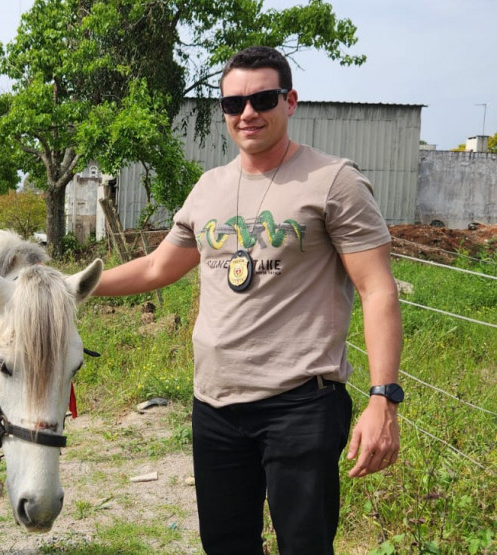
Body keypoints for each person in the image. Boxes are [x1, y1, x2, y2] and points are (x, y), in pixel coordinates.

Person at [93, 46, 403, 554]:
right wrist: (73, 285)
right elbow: (155, 268)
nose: (247, 113)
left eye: (262, 98)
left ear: (291, 101)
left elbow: (377, 288)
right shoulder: (209, 186)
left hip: (301, 403)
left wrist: (382, 397)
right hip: (215, 405)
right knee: (227, 544)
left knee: (304, 544)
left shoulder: (334, 181)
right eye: (233, 104)